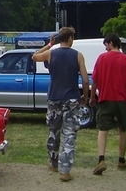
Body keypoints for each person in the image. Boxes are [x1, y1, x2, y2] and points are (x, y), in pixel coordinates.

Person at [32, 27, 89, 182]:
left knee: (54, 131)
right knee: (69, 134)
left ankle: (53, 161)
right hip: (71, 99)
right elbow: (85, 79)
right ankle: (65, 170)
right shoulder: (78, 56)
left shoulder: (51, 53)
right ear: (70, 38)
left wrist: (49, 45)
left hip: (54, 98)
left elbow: (34, 57)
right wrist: (85, 95)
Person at [89, 33, 126, 176]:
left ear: (111, 43)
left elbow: (95, 81)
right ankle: (121, 160)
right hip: (123, 100)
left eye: (106, 45)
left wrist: (92, 97)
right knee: (123, 130)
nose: (105, 48)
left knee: (103, 129)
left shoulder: (102, 58)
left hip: (105, 99)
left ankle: (101, 160)